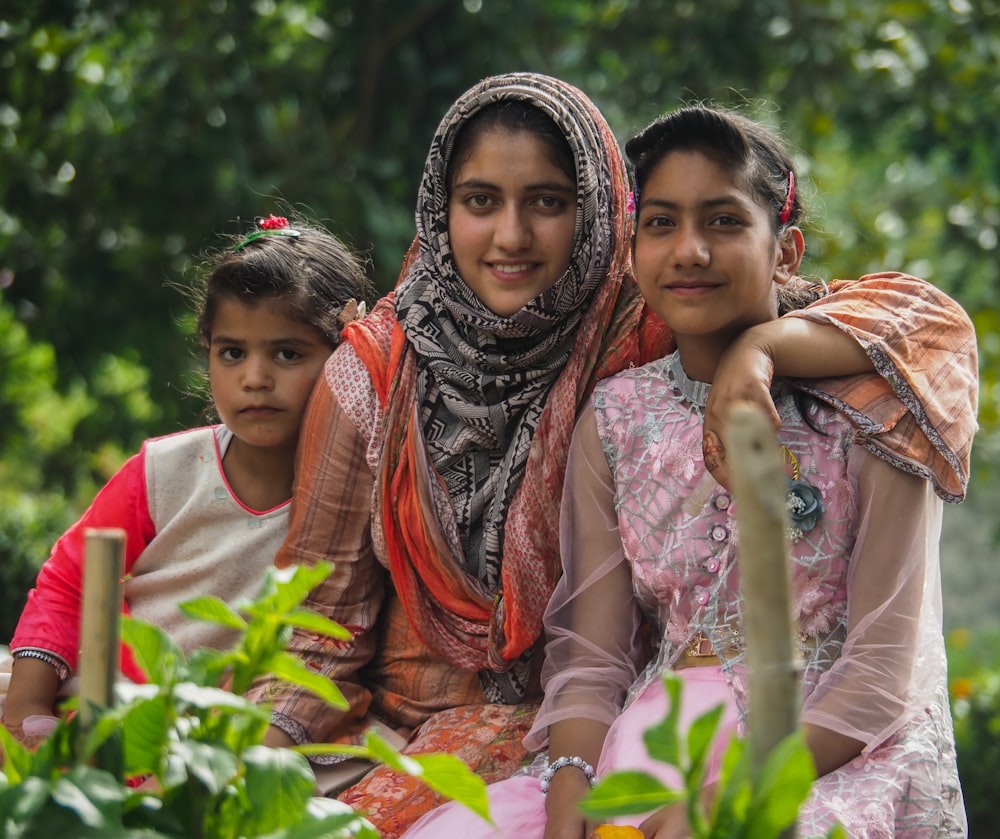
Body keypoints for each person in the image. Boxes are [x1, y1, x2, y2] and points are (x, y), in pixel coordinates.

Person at [246, 73, 976, 838]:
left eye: (550, 202)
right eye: (480, 200)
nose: (511, 236)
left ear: (598, 223)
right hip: (570, 742)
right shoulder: (598, 402)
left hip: (795, 755)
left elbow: (923, 325)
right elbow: (320, 621)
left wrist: (759, 352)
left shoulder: (673, 341)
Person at [0, 212, 371, 749]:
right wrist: (30, 711)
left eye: (288, 353)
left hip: (244, 739)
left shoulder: (357, 502)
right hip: (109, 706)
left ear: (347, 360)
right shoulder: (163, 472)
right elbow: (69, 583)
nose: (255, 378)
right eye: (232, 352)